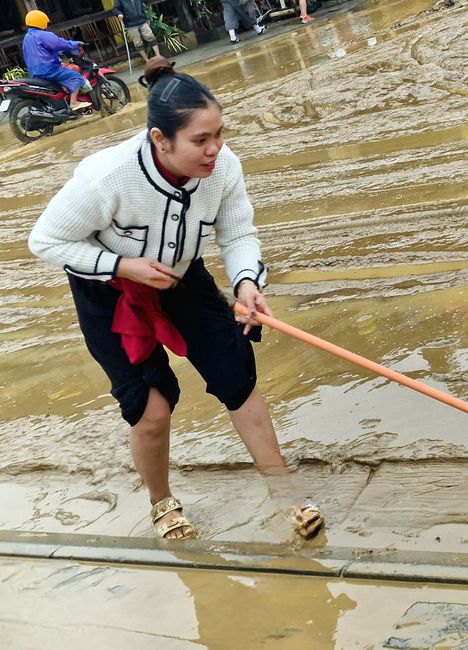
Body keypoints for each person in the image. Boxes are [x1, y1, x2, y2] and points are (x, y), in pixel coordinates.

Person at [28, 56, 323, 542]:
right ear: (160, 140)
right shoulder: (107, 177)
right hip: (112, 293)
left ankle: (285, 493)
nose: (215, 150)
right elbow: (46, 241)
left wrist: (248, 282)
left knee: (238, 376)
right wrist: (123, 266)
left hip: (183, 278)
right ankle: (162, 502)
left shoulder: (225, 168)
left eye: (219, 135)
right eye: (200, 140)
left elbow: (237, 233)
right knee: (153, 407)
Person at [21, 10, 90, 111]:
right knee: (75, 76)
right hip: (48, 69)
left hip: (35, 71)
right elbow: (60, 44)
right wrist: (76, 44)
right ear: (40, 21)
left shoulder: (27, 37)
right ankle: (74, 103)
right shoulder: (42, 34)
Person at [113, 0, 162, 66]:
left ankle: (158, 56)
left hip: (142, 21)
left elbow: (142, 7)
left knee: (151, 37)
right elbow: (115, 9)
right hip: (130, 24)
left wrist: (146, 18)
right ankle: (147, 61)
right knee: (138, 43)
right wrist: (119, 13)